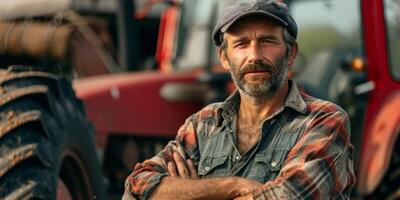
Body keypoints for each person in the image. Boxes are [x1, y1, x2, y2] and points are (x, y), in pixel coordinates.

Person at [123, 0, 356, 199]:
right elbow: (136, 187)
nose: (254, 56)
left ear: (291, 53)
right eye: (241, 44)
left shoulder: (324, 120)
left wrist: (191, 192)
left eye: (267, 41)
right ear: (225, 57)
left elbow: (288, 196)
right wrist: (232, 186)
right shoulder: (203, 124)